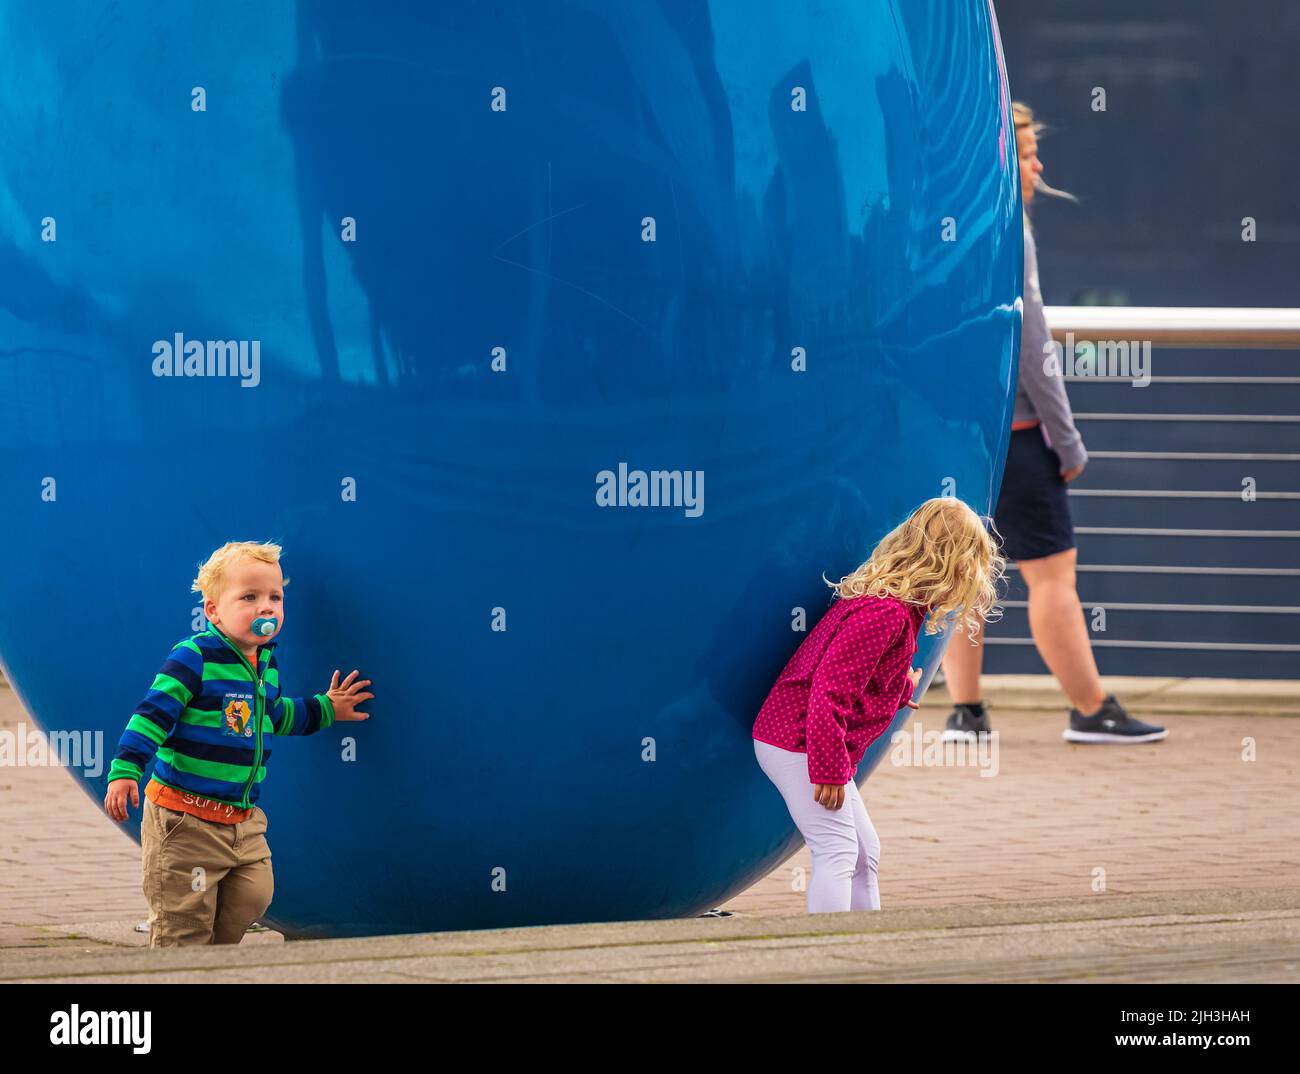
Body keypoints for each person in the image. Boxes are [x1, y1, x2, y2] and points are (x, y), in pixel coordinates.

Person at [940, 102, 1168, 746]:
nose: (1040, 164)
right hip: (1017, 438)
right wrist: (1066, 440)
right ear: (999, 161)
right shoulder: (1012, 231)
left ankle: (967, 713)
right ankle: (1091, 710)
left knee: (962, 571)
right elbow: (1033, 345)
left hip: (961, 435)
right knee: (1052, 577)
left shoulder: (948, 227)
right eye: (1028, 152)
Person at [103, 540, 374, 946]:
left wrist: (327, 709)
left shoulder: (265, 663)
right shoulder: (194, 658)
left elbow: (276, 716)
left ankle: (215, 953)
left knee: (255, 892)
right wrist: (125, 771)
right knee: (184, 925)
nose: (265, 607)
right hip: (184, 822)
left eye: (274, 597)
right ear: (213, 610)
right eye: (249, 597)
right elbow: (152, 715)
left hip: (240, 820)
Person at [752, 497, 1004, 913]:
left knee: (864, 854)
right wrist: (829, 770)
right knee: (836, 850)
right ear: (949, 565)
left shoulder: (895, 609)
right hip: (799, 741)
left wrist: (900, 686)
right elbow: (828, 692)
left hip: (808, 740)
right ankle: (829, 951)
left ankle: (866, 942)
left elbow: (858, 677)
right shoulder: (884, 613)